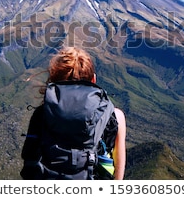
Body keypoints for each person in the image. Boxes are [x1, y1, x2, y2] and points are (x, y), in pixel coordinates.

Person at [20, 46, 126, 180]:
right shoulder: (115, 116)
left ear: (53, 80)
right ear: (93, 80)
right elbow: (118, 172)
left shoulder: (42, 113)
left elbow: (30, 161)